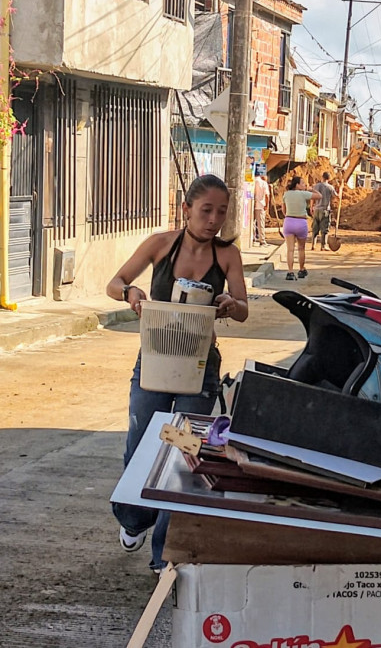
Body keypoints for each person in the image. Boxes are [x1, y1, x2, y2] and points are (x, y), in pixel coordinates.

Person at [106, 174, 249, 573]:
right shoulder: (160, 245)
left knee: (184, 453)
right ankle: (134, 518)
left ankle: (165, 553)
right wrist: (130, 293)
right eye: (206, 210)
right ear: (186, 209)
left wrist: (229, 302)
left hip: (199, 368)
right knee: (141, 444)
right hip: (155, 361)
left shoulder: (227, 255)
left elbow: (243, 308)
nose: (213, 220)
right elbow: (115, 282)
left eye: (221, 212)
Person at [282, 175, 321, 281]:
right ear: (297, 185)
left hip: (289, 221)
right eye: (302, 183)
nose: (304, 185)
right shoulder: (304, 194)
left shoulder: (286, 194)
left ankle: (290, 272)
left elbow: (284, 210)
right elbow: (319, 196)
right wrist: (311, 189)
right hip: (301, 222)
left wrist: (290, 216)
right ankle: (301, 269)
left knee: (290, 249)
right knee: (301, 248)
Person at [310, 172, 337, 251]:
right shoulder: (330, 187)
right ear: (329, 178)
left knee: (315, 228)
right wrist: (340, 189)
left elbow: (312, 197)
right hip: (325, 210)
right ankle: (323, 246)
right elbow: (336, 196)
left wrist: (311, 207)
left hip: (316, 210)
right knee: (324, 229)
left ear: (322, 177)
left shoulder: (316, 186)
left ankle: (313, 245)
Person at [253, 173, 270, 246]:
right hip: (260, 205)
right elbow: (267, 196)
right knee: (261, 224)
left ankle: (253, 238)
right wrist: (267, 205)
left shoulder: (252, 181)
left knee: (252, 223)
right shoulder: (263, 183)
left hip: (251, 205)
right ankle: (262, 241)